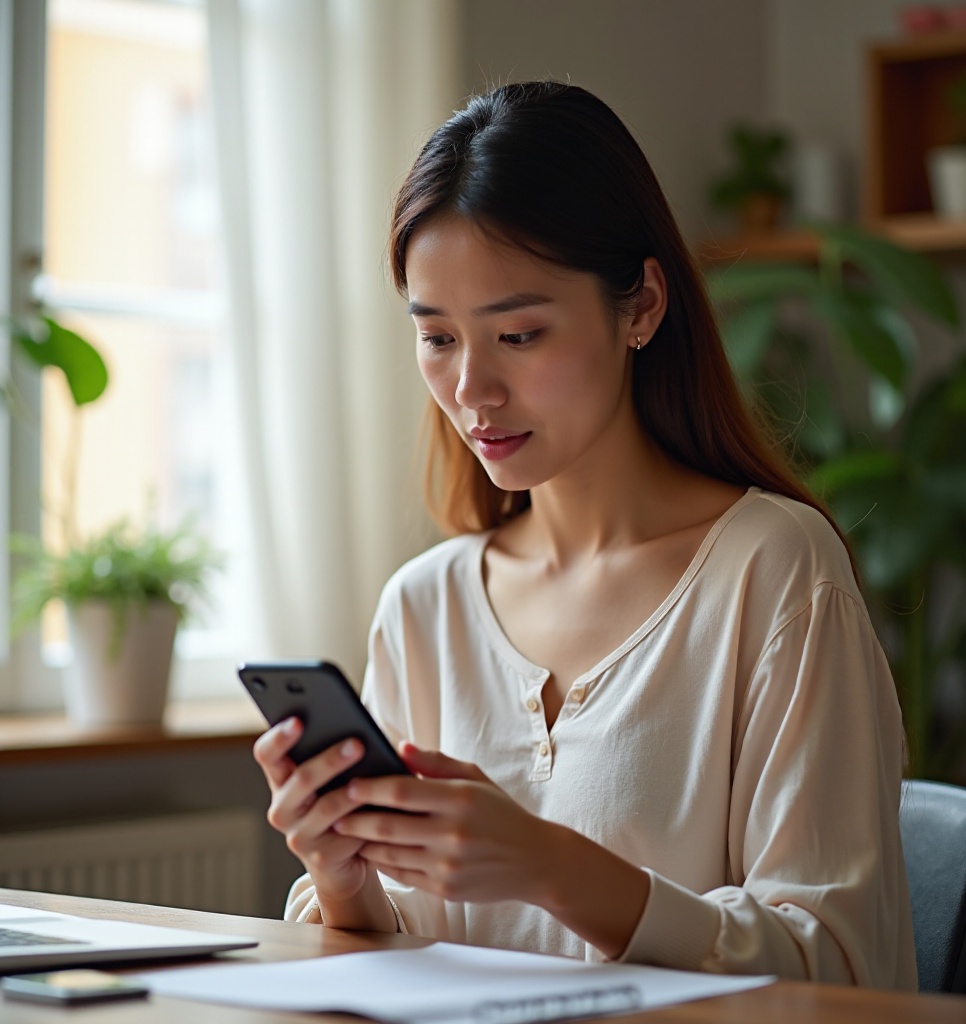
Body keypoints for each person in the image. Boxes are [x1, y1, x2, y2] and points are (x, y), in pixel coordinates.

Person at [253, 81, 917, 989]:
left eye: (519, 334)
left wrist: (551, 868)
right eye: (438, 338)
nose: (472, 390)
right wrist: (342, 876)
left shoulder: (775, 571)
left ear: (641, 305)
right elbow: (392, 954)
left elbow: (839, 970)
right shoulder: (425, 605)